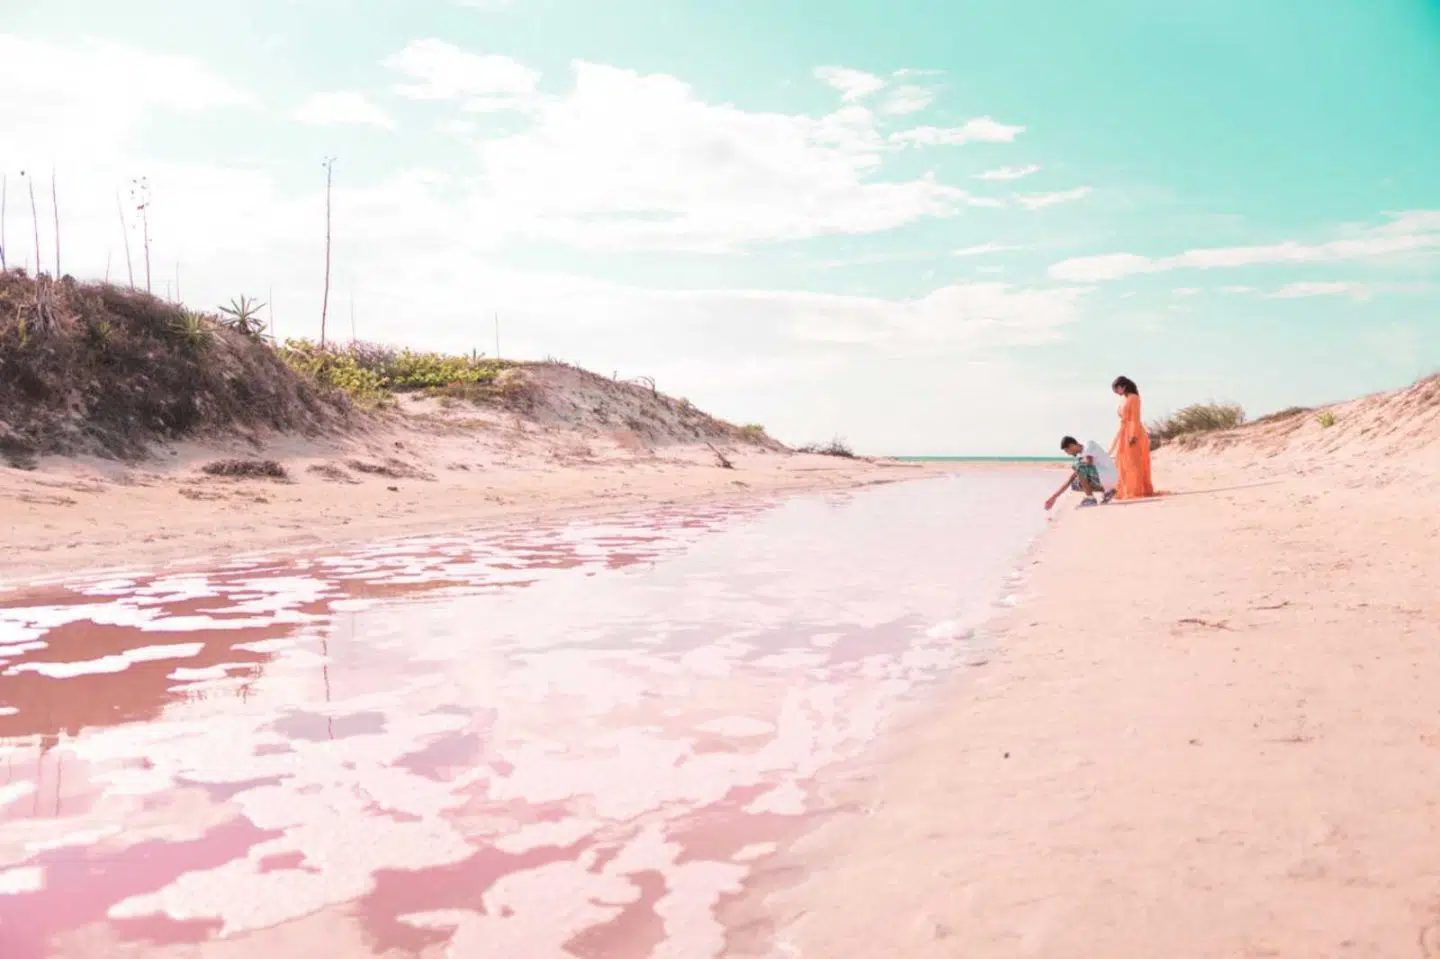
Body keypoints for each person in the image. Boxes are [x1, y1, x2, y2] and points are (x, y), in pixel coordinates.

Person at [1109, 375, 1155, 499]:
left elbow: (1135, 417)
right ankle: (1126, 489)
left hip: (1134, 433)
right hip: (1125, 432)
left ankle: (1136, 489)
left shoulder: (1134, 398)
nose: (1116, 393)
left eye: (1117, 389)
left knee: (1134, 462)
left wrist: (1133, 435)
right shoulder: (1125, 399)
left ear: (1123, 386)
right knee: (1124, 462)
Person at [1044, 435, 1118, 510]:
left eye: (1067, 451)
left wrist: (1077, 465)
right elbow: (1070, 479)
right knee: (1075, 484)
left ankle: (1090, 499)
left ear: (1071, 445)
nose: (1068, 454)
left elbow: (1089, 462)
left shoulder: (1089, 445)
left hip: (1109, 474)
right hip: (1106, 478)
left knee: (1079, 466)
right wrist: (1054, 497)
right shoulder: (1083, 456)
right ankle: (1108, 492)